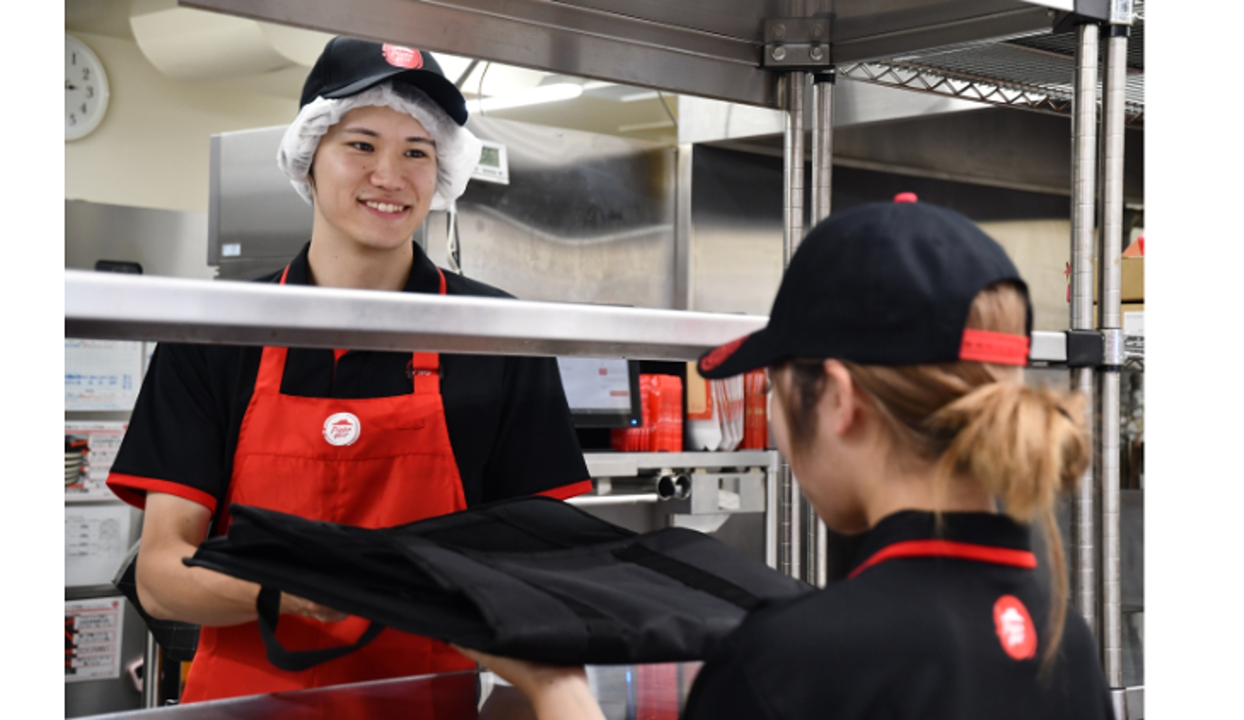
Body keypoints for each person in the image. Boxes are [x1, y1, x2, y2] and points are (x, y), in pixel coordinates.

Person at [457, 201, 1116, 719]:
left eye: (771, 387)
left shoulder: (795, 661)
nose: (773, 418)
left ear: (837, 399)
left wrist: (554, 694)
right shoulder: (1067, 641)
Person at [106, 36, 592, 703]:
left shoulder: (494, 335)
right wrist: (292, 591)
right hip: (242, 711)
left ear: (441, 172)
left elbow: (542, 573)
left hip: (427, 706)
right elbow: (162, 576)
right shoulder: (218, 327)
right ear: (308, 160)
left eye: (416, 151)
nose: (389, 175)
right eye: (360, 144)